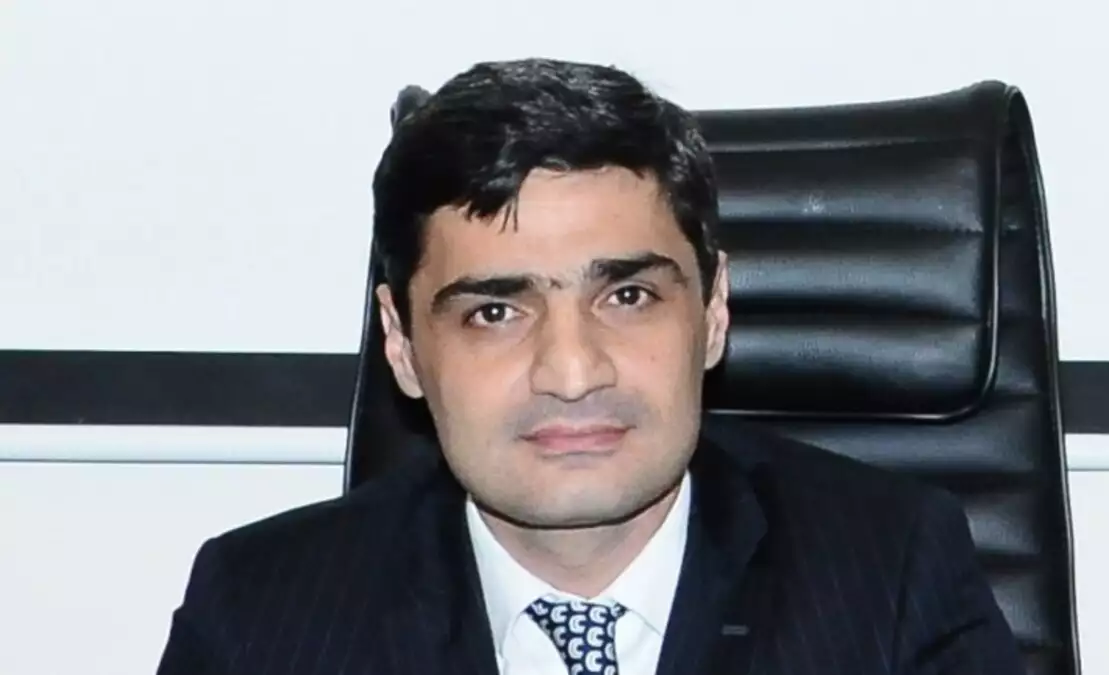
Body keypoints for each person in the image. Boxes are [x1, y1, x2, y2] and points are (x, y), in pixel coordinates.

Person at [156, 58, 1025, 675]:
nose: (572, 373)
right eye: (495, 312)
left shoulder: (893, 577)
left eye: (628, 296)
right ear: (401, 343)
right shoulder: (261, 614)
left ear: (713, 310)